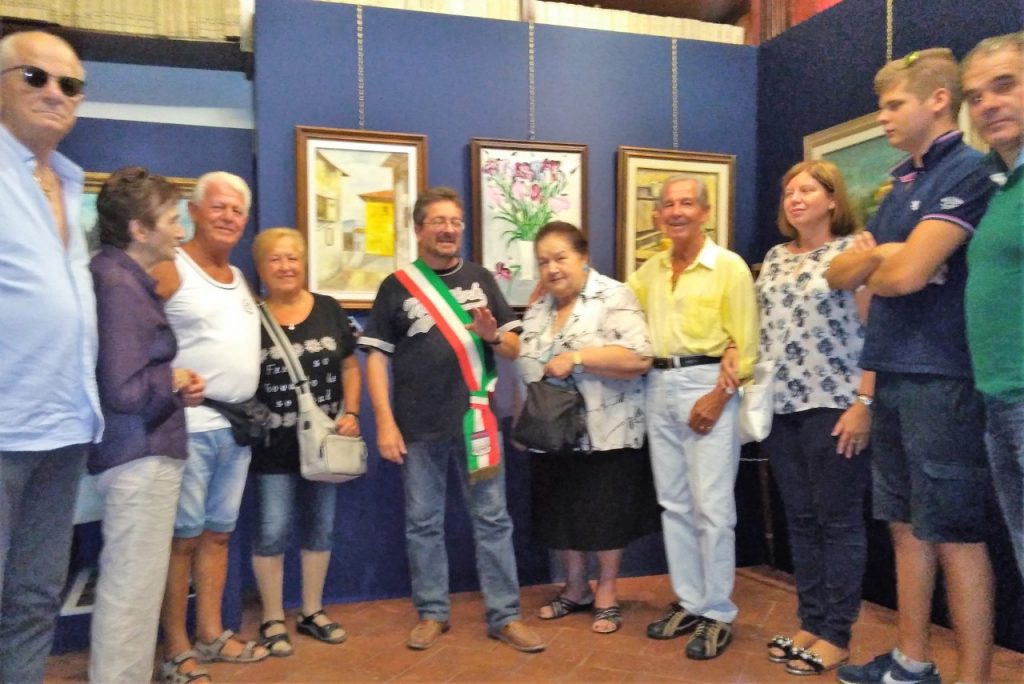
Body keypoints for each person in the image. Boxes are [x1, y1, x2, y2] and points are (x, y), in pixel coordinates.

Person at [825, 48, 997, 684]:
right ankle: (911, 661)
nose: (883, 116)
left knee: (955, 534)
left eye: (895, 104)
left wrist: (885, 261)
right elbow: (839, 273)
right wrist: (883, 257)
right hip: (894, 373)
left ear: (937, 101)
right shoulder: (899, 184)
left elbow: (905, 276)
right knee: (906, 528)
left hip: (943, 376)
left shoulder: (971, 170)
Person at [360, 186, 545, 653]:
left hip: (477, 424)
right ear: (419, 229)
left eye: (455, 222)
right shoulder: (396, 286)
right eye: (439, 221)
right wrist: (384, 422)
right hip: (417, 426)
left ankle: (505, 616)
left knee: (493, 520)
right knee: (423, 522)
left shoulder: (481, 278)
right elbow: (376, 358)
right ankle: (431, 613)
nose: (449, 230)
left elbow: (514, 347)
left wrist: (492, 335)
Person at [0, 31, 104, 683]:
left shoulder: (68, 182)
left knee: (36, 597)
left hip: (63, 430)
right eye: (35, 76)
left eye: (70, 84)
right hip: (4, 430)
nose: (55, 93)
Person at [628, 175, 758, 660]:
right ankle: (690, 601)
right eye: (668, 205)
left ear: (705, 212)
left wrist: (719, 396)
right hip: (657, 385)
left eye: (686, 203)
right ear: (658, 215)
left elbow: (746, 343)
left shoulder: (729, 268)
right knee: (675, 505)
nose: (676, 211)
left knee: (713, 507)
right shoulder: (651, 271)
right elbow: (613, 302)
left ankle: (718, 610)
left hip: (708, 385)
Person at [756, 160, 874, 676]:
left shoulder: (853, 252)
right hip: (781, 407)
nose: (795, 198)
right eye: (789, 192)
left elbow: (876, 330)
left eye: (807, 190)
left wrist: (865, 402)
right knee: (801, 521)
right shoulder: (774, 257)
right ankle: (811, 622)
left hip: (834, 404)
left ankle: (837, 635)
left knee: (838, 522)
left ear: (832, 200)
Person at [88, 167, 206, 683]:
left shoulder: (120, 277)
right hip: (139, 453)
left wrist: (171, 382)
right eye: (172, 219)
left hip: (140, 450)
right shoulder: (119, 284)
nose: (181, 230)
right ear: (139, 229)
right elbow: (123, 390)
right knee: (131, 593)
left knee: (132, 588)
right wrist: (172, 380)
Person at [515, 221, 659, 635]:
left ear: (583, 257)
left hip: (606, 431)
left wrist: (578, 358)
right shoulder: (539, 307)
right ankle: (575, 587)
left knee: (604, 515)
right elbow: (527, 364)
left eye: (560, 258)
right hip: (552, 433)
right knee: (562, 514)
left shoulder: (614, 296)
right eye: (544, 261)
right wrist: (524, 422)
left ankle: (607, 592)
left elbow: (639, 356)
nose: (552, 268)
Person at [152, 171, 268, 682]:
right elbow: (132, 336)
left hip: (236, 430)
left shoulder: (239, 277)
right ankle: (176, 646)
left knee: (218, 535)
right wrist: (168, 378)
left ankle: (211, 632)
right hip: (189, 428)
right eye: (218, 206)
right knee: (181, 540)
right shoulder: (170, 268)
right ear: (194, 211)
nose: (228, 217)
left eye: (237, 210)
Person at [249, 228, 362, 656]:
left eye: (292, 258)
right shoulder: (250, 317)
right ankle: (272, 617)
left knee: (321, 526)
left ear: (304, 262)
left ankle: (312, 611)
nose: (285, 267)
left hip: (326, 444)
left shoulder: (329, 309)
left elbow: (350, 367)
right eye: (275, 259)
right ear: (261, 268)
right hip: (272, 444)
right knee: (272, 529)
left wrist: (352, 413)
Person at [963, 32, 1024, 580]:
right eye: (976, 96)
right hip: (999, 399)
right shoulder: (1001, 187)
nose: (988, 105)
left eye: (1004, 86)